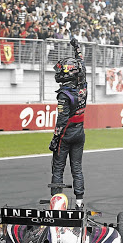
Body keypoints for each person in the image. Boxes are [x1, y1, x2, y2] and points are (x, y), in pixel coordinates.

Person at [49, 37, 87, 210]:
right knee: (77, 168)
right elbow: (82, 65)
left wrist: (55, 139)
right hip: (80, 133)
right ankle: (79, 203)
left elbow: (61, 120)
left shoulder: (64, 95)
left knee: (58, 167)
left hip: (66, 134)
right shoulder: (83, 87)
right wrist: (76, 48)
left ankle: (57, 203)